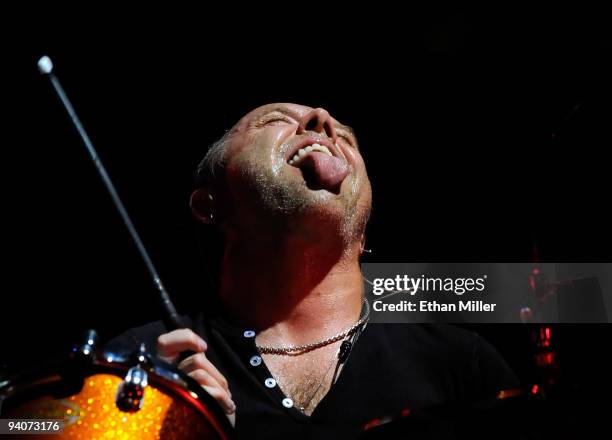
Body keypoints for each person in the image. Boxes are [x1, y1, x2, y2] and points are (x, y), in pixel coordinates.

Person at [106, 103, 519, 438]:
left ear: (363, 231)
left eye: (347, 136)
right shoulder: (141, 367)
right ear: (209, 205)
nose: (322, 120)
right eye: (275, 121)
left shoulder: (459, 360)